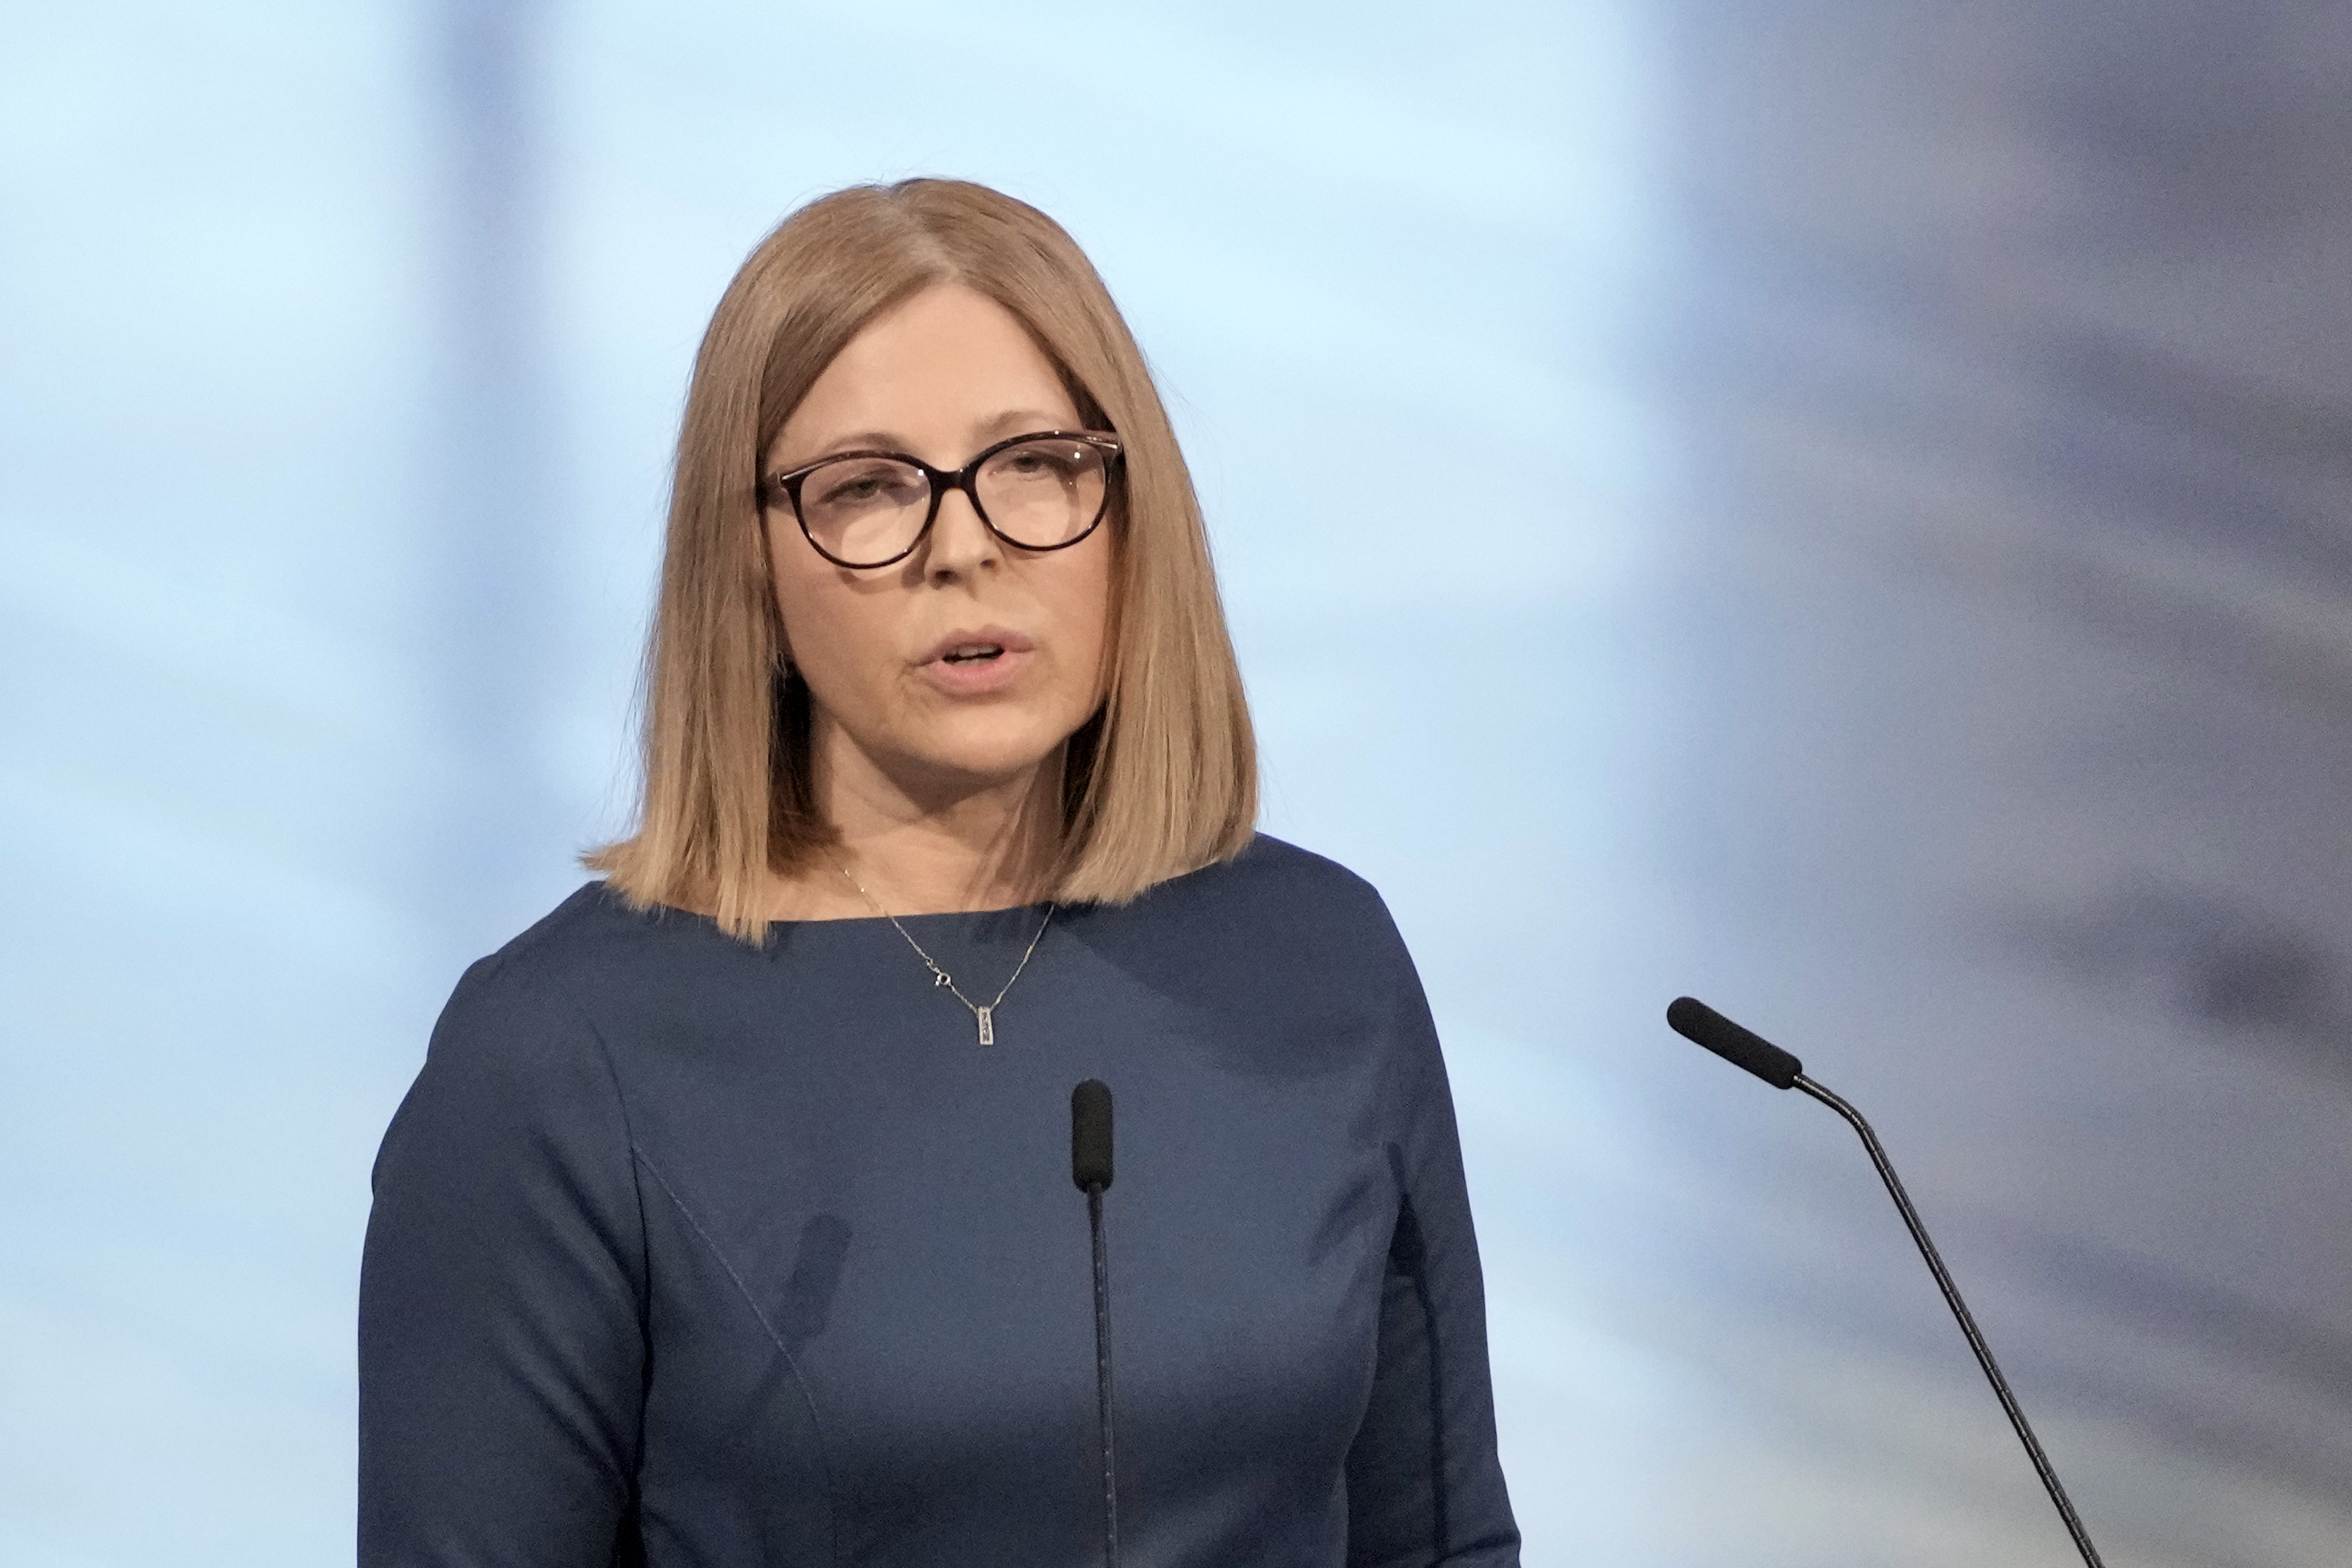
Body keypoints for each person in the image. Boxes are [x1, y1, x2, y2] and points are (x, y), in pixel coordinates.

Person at [359, 178, 1521, 1567]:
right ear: (754, 568)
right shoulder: (557, 1058)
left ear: (1130, 507)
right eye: (866, 488)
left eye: (1036, 463)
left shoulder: (1321, 959)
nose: (964, 546)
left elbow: (1440, 1544)